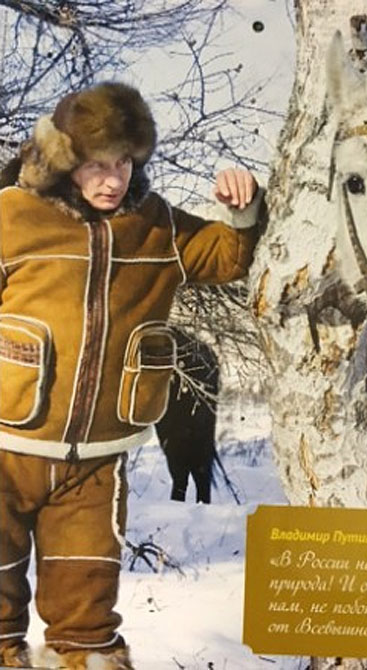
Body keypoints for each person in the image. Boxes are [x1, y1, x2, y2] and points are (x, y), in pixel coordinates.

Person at [0, 82, 262, 670]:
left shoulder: (156, 224)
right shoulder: (11, 215)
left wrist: (241, 208)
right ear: (65, 160)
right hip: (5, 449)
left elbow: (227, 256)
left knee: (86, 625)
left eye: (123, 162)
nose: (113, 179)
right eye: (97, 163)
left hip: (95, 464)